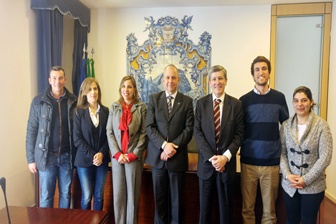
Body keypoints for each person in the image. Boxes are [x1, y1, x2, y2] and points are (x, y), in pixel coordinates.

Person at [239, 56, 289, 224]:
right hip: (248, 163)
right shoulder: (243, 101)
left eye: (264, 69)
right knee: (247, 210)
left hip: (271, 163)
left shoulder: (279, 98)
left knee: (270, 212)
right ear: (253, 74)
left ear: (269, 72)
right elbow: (239, 130)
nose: (261, 72)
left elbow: (287, 127)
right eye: (257, 69)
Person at [194, 65, 244, 224]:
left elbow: (239, 134)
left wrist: (225, 157)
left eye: (220, 78)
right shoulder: (201, 104)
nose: (217, 82)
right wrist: (212, 158)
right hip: (206, 167)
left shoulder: (236, 105)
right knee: (205, 212)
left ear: (226, 81)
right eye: (214, 79)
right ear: (209, 82)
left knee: (226, 213)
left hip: (226, 167)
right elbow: (198, 133)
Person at [145, 64, 194, 224]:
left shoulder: (187, 102)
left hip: (177, 159)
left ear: (179, 80)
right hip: (158, 160)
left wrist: (172, 147)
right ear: (163, 79)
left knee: (177, 204)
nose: (170, 81)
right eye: (167, 77)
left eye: (173, 77)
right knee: (160, 204)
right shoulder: (154, 99)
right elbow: (149, 127)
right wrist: (165, 145)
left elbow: (188, 129)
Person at [26, 66, 77, 208]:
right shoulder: (38, 102)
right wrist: (31, 159)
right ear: (49, 80)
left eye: (60, 78)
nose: (57, 81)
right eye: (54, 78)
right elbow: (31, 130)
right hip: (46, 157)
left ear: (65, 80)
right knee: (46, 196)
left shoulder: (73, 101)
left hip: (67, 156)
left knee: (66, 194)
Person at [280, 86, 333, 224]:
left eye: (304, 100)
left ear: (311, 102)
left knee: (308, 220)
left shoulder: (321, 125)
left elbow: (326, 157)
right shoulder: (286, 125)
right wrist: (287, 175)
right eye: (296, 101)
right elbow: (282, 153)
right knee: (291, 219)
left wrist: (306, 179)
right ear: (292, 103)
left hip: (313, 186)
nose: (300, 104)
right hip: (290, 185)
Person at [107, 76, 147, 224]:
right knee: (119, 196)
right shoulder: (114, 107)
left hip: (133, 159)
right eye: (123, 86)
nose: (126, 90)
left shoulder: (141, 107)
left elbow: (144, 134)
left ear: (134, 89)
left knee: (132, 197)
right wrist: (117, 154)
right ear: (120, 89)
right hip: (118, 158)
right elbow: (109, 131)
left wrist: (133, 154)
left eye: (129, 87)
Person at [73, 77, 109, 210]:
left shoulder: (106, 111)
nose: (93, 92)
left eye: (95, 89)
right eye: (89, 90)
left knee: (99, 195)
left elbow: (108, 137)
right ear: (84, 93)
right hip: (84, 161)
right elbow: (77, 138)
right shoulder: (78, 112)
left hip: (102, 160)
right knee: (87, 196)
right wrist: (94, 155)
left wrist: (101, 154)